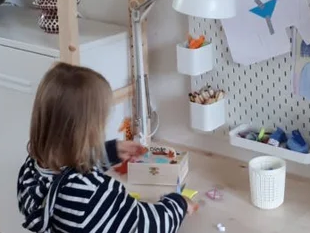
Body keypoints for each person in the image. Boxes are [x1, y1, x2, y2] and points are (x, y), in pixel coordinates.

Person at [16, 62, 194, 233]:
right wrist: (179, 204)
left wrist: (109, 152)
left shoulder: (31, 171)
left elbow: (67, 172)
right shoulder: (90, 196)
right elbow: (148, 226)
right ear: (89, 131)